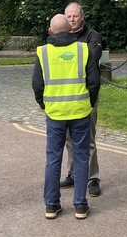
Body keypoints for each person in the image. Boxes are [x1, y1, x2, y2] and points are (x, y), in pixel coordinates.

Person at [33, 14, 100, 220]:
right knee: (81, 157)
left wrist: (45, 105)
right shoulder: (83, 49)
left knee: (53, 158)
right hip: (80, 111)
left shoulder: (43, 52)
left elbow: (37, 84)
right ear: (71, 29)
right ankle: (80, 205)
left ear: (50, 31)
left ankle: (52, 205)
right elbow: (94, 82)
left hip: (55, 113)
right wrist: (88, 103)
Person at [59, 2, 104, 197]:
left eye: (75, 16)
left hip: (87, 93)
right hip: (67, 93)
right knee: (69, 138)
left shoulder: (93, 36)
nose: (72, 19)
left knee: (88, 138)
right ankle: (73, 174)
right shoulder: (60, 38)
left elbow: (90, 59)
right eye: (68, 16)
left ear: (82, 17)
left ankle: (92, 178)